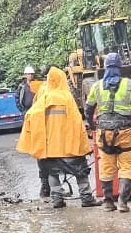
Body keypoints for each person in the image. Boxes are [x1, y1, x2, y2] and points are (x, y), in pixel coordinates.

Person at [17, 67, 100, 208]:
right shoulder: (66, 97)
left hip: (50, 147)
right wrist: (83, 143)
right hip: (68, 145)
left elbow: (30, 116)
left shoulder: (44, 98)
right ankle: (86, 198)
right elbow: (76, 122)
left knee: (53, 173)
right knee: (81, 171)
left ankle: (57, 199)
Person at [85, 52, 131, 212]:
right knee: (126, 166)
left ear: (105, 67)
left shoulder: (97, 86)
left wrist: (93, 126)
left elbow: (88, 109)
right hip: (125, 132)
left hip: (104, 133)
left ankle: (108, 202)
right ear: (120, 68)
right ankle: (122, 202)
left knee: (106, 166)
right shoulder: (129, 85)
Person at [15, 65, 50, 199]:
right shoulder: (22, 87)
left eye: (31, 74)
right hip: (31, 116)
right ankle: (47, 186)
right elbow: (18, 99)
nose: (29, 76)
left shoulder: (39, 86)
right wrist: (23, 110)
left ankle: (48, 186)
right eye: (28, 74)